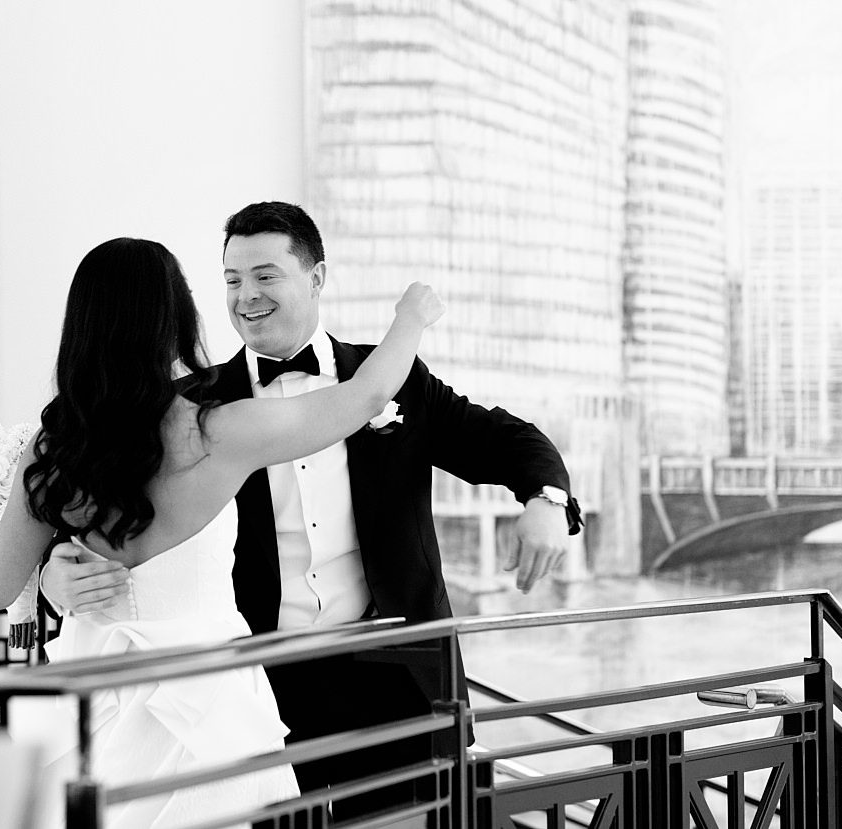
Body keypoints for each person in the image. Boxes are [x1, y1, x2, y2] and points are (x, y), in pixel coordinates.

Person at [43, 203, 581, 819]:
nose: (246, 297)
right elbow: (99, 519)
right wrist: (52, 575)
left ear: (317, 277)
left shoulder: (391, 377)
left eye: (266, 276)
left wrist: (547, 500)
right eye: (232, 280)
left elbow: (503, 440)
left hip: (395, 681)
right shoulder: (191, 409)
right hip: (256, 688)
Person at [0, 236, 444, 827]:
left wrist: (51, 570)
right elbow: (367, 394)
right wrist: (411, 317)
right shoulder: (217, 434)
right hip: (204, 701)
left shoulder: (49, 452)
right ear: (175, 319)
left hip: (88, 696)